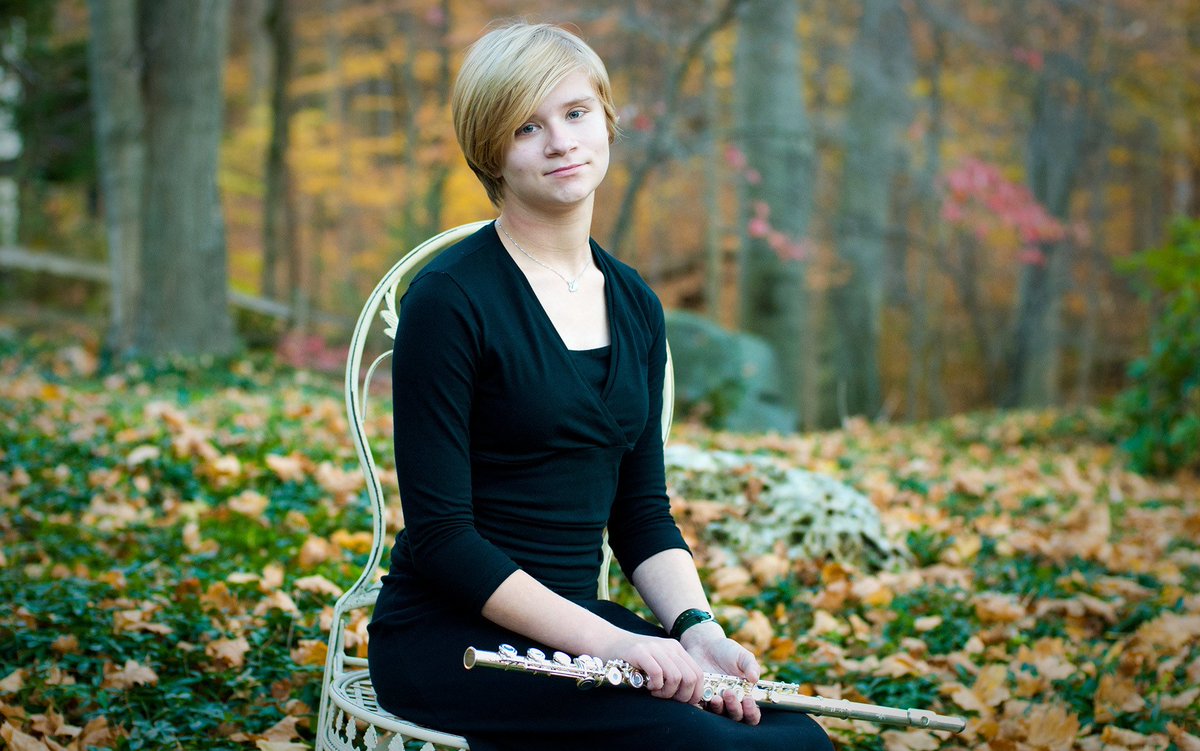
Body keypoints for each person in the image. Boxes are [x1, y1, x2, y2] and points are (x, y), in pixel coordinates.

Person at [367, 21, 833, 751]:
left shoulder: (635, 301)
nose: (561, 142)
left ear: (607, 121)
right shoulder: (448, 300)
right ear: (491, 150)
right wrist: (614, 644)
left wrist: (696, 630)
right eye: (527, 126)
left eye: (576, 113)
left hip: (582, 634)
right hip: (454, 641)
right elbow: (443, 539)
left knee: (796, 739)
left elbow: (642, 513)